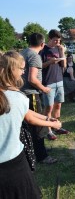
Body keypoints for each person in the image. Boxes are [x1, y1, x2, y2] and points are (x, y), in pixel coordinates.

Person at [0, 51, 62, 199]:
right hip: (13, 165)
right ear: (12, 70)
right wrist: (52, 124)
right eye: (22, 69)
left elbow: (26, 113)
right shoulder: (17, 97)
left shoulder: (14, 98)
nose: (23, 73)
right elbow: (29, 118)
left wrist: (48, 119)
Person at [21, 33, 58, 164]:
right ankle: (42, 156)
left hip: (21, 94)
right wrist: (44, 88)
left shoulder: (22, 53)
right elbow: (32, 78)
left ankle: (32, 151)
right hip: (31, 94)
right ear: (42, 44)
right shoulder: (35, 56)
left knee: (26, 127)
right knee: (37, 126)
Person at [40, 29, 69, 141]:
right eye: (55, 40)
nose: (57, 42)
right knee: (49, 107)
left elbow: (64, 66)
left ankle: (57, 127)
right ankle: (48, 130)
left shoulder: (58, 48)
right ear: (49, 39)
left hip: (59, 81)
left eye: (59, 41)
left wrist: (62, 52)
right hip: (48, 82)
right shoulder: (43, 50)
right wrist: (49, 62)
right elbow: (39, 66)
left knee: (58, 106)